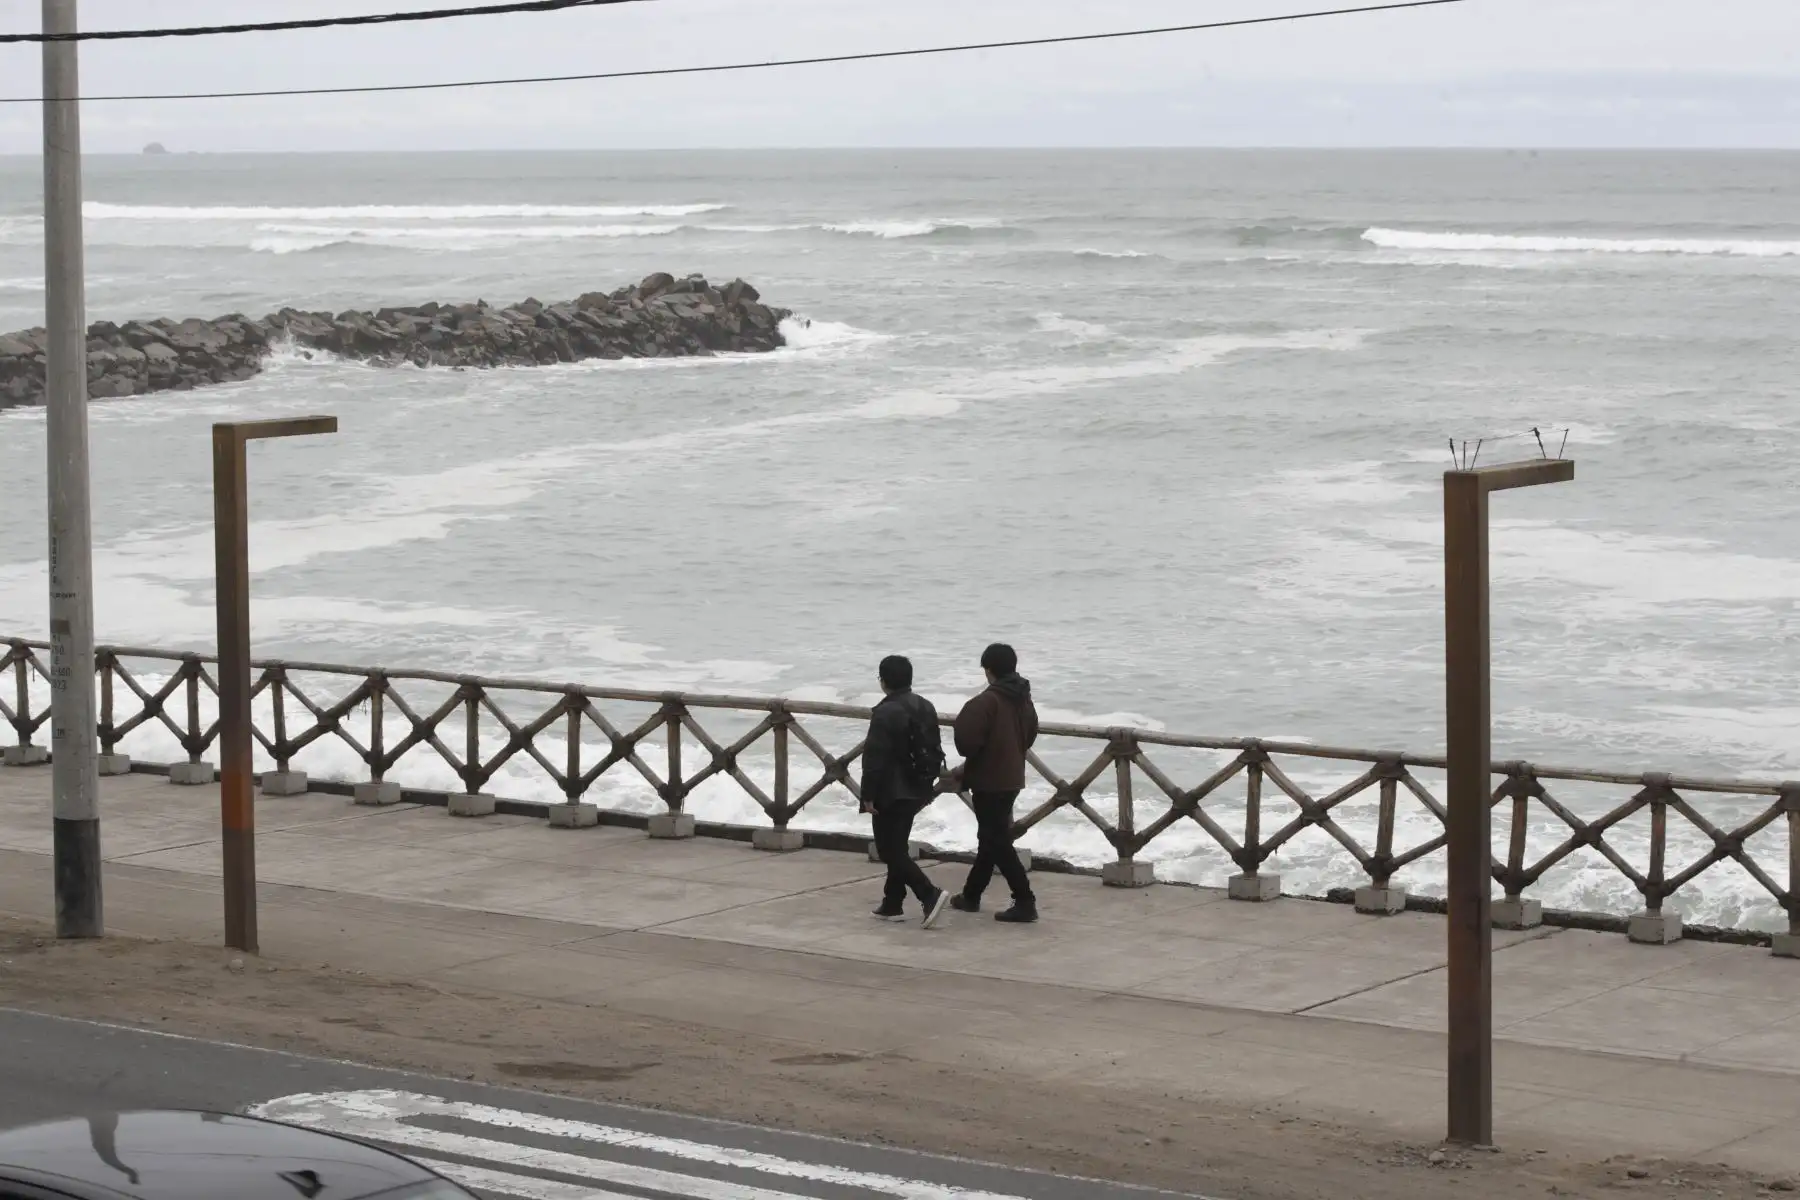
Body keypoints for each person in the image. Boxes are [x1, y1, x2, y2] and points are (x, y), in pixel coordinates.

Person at [949, 643, 1040, 923]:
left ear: (988, 670)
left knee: (996, 840)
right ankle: (971, 895)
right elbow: (1030, 734)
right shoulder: (1023, 699)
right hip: (1013, 776)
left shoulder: (986, 702)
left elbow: (966, 744)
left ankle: (1025, 900)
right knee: (990, 837)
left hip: (988, 779)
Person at [860, 654, 950, 928]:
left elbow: (874, 758)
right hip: (920, 785)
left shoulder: (885, 712)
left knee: (889, 850)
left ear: (883, 681)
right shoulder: (925, 705)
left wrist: (868, 795)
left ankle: (929, 893)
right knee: (897, 846)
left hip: (891, 790)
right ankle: (892, 903)